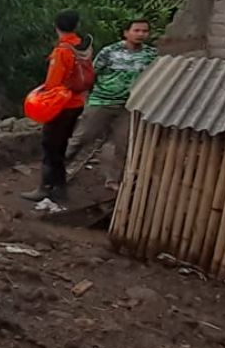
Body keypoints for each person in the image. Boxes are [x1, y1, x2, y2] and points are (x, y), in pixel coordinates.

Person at [66, 18, 157, 190]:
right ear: (126, 33)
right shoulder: (109, 51)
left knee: (123, 144)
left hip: (129, 105)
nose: (140, 34)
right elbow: (92, 73)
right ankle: (56, 170)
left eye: (144, 31)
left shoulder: (151, 55)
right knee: (82, 137)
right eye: (136, 30)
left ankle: (113, 180)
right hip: (103, 101)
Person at [21, 10, 88, 203]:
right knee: (61, 144)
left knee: (50, 146)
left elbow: (53, 82)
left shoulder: (62, 51)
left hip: (61, 104)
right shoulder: (82, 47)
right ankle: (59, 189)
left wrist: (41, 95)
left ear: (56, 26)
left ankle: (47, 188)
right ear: (76, 25)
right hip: (77, 103)